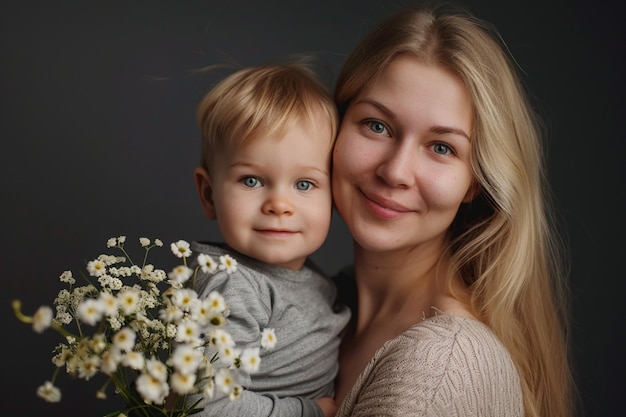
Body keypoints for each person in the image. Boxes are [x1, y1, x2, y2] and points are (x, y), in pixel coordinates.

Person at [330, 5, 574, 417]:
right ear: (335, 125)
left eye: (442, 147)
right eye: (376, 125)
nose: (395, 171)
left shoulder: (438, 367)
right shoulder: (330, 306)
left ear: (475, 181)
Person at [190, 62, 350, 417]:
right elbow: (205, 407)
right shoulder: (234, 288)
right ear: (208, 194)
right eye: (251, 180)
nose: (279, 204)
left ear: (334, 196)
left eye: (304, 184)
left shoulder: (305, 277)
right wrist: (309, 412)